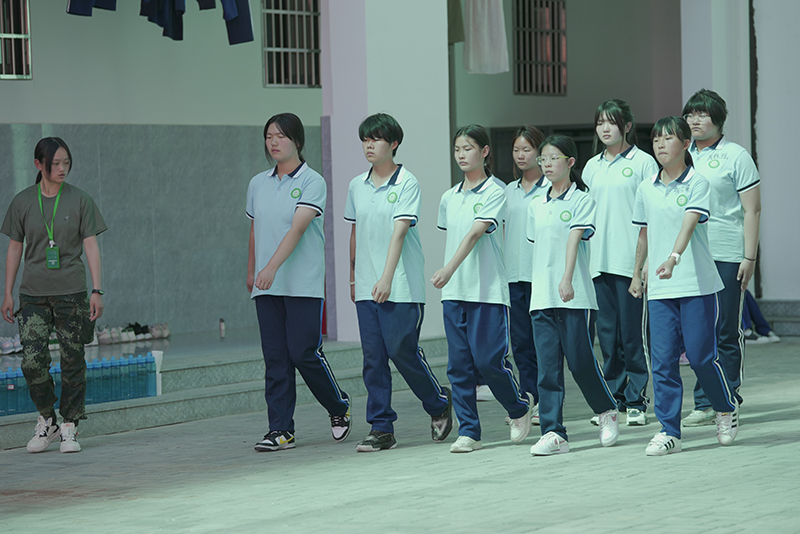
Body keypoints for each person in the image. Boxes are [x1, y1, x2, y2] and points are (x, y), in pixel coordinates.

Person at [630, 116, 739, 456]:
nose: (660, 144)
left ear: (685, 144)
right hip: (660, 289)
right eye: (656, 139)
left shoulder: (697, 182)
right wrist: (636, 273)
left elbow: (689, 223)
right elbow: (644, 233)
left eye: (668, 138)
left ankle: (725, 408)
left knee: (701, 357)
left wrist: (673, 258)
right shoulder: (646, 187)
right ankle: (669, 431)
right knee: (662, 362)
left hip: (696, 283)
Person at [344, 113, 452, 452]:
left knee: (401, 351)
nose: (369, 146)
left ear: (393, 143)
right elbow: (355, 233)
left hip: (401, 284)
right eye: (365, 140)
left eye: (375, 139)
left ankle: (438, 402)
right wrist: (353, 277)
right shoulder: (356, 185)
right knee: (373, 358)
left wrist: (387, 277)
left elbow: (399, 232)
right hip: (367, 285)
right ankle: (381, 428)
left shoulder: (407, 182)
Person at [247, 112, 351, 452]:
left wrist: (271, 267)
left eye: (280, 136)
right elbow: (255, 230)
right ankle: (280, 430)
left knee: (303, 353)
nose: (273, 142)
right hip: (266, 286)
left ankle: (338, 406)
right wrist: (252, 270)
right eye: (269, 136)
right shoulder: (258, 183)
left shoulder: (312, 181)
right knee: (275, 357)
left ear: (297, 140)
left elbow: (297, 228)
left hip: (302, 284)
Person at [1, 137, 107, 453]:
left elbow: (91, 246)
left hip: (71, 293)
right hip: (32, 296)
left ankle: (70, 424)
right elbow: (14, 249)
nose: (62, 169)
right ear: (39, 165)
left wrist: (97, 290)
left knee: (73, 360)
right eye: (56, 164)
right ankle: (47, 420)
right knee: (32, 362)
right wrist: (7, 293)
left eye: (66, 163)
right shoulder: (22, 202)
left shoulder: (80, 200)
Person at [433, 124, 534, 453]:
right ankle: (469, 431)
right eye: (457, 150)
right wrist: (450, 275)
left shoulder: (496, 191)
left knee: (489, 361)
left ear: (485, 151)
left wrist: (448, 268)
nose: (462, 155)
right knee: (458, 365)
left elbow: (476, 234)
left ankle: (519, 407)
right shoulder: (449, 197)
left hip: (487, 291)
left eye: (468, 148)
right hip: (454, 293)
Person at [526, 134, 619, 456]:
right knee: (547, 369)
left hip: (574, 296)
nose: (547, 164)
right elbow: (538, 247)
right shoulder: (536, 204)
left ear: (570, 162)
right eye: (543, 159)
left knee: (580, 363)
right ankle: (554, 432)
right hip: (542, 297)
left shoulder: (582, 199)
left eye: (554, 158)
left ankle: (606, 409)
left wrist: (566, 279)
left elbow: (574, 238)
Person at [681, 89, 761, 427]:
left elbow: (752, 209)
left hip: (727, 252)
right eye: (690, 115)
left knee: (726, 329)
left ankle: (727, 396)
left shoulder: (735, 156)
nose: (695, 121)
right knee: (699, 332)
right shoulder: (681, 154)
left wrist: (749, 257)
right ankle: (705, 401)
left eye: (702, 115)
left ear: (718, 119)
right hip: (690, 255)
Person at [583, 99, 658, 427]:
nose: (604, 128)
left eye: (611, 122)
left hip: (630, 264)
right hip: (598, 262)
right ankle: (613, 399)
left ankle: (637, 399)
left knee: (632, 337)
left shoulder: (643, 163)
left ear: (627, 126)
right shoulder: (591, 166)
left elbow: (651, 216)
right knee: (608, 337)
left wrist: (643, 266)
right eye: (600, 122)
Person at [503, 125, 548, 425]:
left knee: (543, 342)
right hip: (514, 275)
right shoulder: (508, 191)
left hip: (541, 276)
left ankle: (547, 401)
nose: (521, 155)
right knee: (520, 342)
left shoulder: (550, 188)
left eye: (527, 149)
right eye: (516, 150)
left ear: (540, 152)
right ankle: (528, 397)